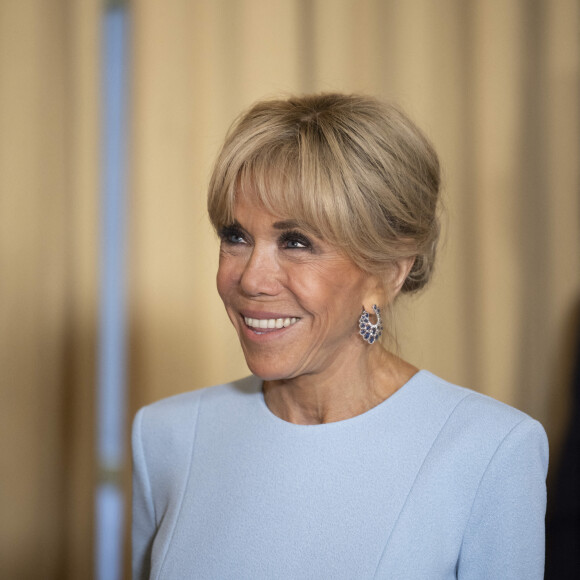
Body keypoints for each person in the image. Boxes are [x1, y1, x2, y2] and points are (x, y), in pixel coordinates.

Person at [132, 94, 548, 579]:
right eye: (236, 236)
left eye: (296, 242)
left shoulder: (490, 450)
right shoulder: (164, 437)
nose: (250, 279)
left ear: (389, 273)